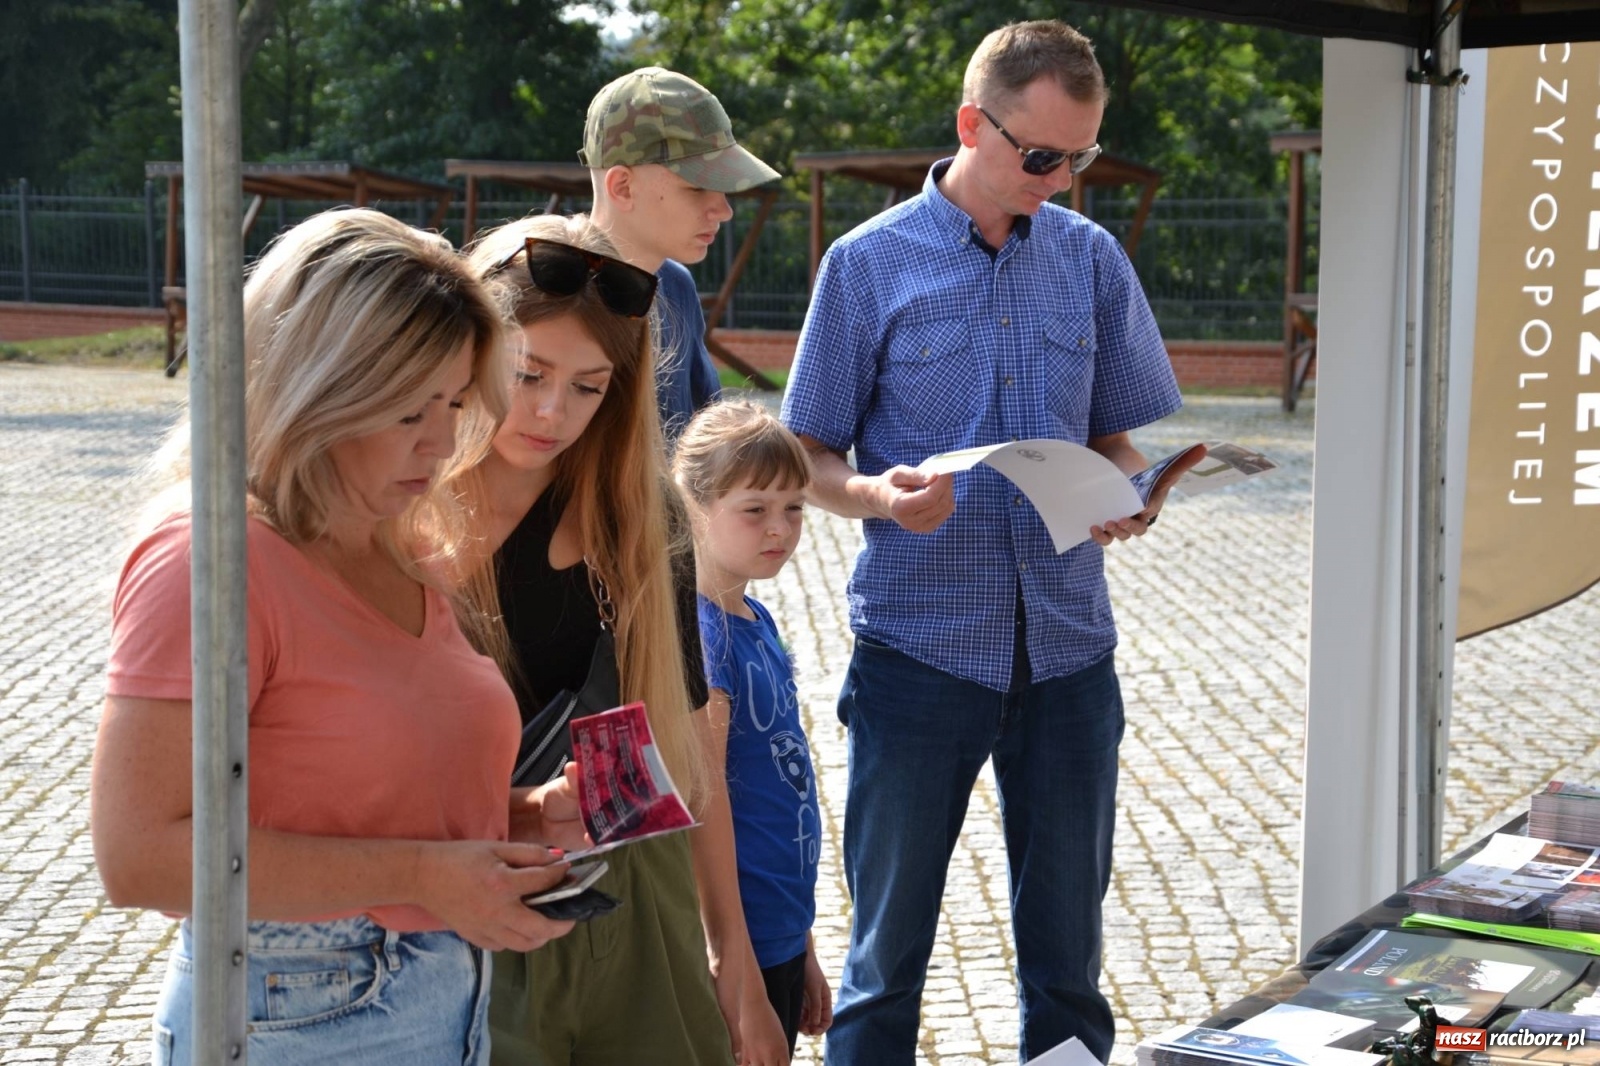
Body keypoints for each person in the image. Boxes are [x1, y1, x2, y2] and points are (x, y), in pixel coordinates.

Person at [779, 20, 1203, 1066]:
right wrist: (877, 497)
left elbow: (1113, 429)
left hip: (1068, 655)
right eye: (1042, 155)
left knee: (1067, 969)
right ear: (973, 124)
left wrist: (1130, 490)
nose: (1059, 181)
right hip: (918, 656)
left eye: (1082, 157)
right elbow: (804, 452)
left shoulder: (1092, 259)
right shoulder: (865, 265)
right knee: (885, 972)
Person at [89, 208, 578, 1066]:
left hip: (430, 993)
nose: (441, 442)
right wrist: (426, 879)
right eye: (404, 411)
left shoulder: (401, 542)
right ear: (316, 386)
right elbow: (138, 854)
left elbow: (346, 799)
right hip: (294, 1004)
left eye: (455, 402)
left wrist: (520, 821)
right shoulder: (210, 557)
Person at [451, 213, 788, 1066]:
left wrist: (731, 956)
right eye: (527, 374)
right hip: (457, 913)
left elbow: (684, 739)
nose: (553, 413)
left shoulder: (639, 520)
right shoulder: (392, 508)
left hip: (629, 895)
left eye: (591, 386)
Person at [674, 400, 834, 1060]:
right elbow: (704, 804)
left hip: (777, 935)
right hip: (735, 954)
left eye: (794, 507)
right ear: (693, 505)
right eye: (755, 509)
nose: (781, 528)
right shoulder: (703, 639)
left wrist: (804, 946)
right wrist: (739, 986)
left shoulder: (754, 617)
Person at [581, 65, 781, 442]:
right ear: (623, 186)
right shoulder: (545, 290)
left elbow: (700, 456)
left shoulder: (674, 285)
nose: (724, 210)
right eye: (697, 188)